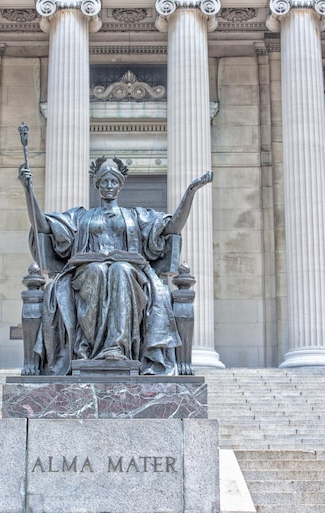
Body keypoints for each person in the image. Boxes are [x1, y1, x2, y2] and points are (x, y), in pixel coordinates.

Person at [19, 156, 212, 376]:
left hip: (129, 273)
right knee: (97, 270)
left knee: (120, 269)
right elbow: (43, 225)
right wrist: (29, 191)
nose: (109, 186)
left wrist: (190, 193)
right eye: (104, 182)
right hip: (87, 272)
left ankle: (115, 348)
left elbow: (171, 227)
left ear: (120, 186)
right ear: (97, 185)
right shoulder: (81, 217)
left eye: (113, 182)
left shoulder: (136, 216)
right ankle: (88, 350)